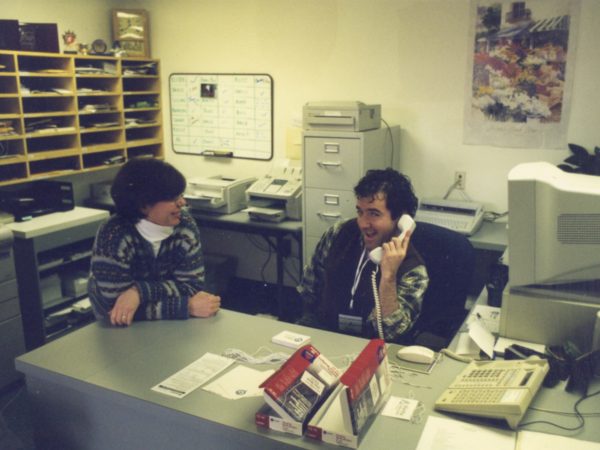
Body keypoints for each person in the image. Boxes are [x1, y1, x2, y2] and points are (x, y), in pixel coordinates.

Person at [297, 168, 429, 342]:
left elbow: (390, 333)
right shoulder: (338, 233)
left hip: (372, 349)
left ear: (400, 220)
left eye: (374, 214)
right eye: (360, 212)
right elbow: (308, 291)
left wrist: (388, 277)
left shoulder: (413, 269)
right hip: (325, 335)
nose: (363, 223)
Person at [88, 158, 220, 326]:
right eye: (173, 198)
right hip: (120, 329)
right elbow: (115, 310)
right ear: (144, 205)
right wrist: (185, 307)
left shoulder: (185, 224)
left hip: (171, 326)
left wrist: (138, 292)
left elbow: (192, 285)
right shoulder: (113, 234)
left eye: (181, 195)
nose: (182, 203)